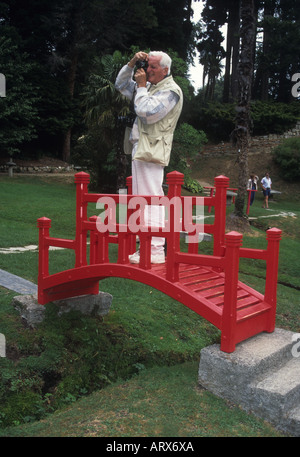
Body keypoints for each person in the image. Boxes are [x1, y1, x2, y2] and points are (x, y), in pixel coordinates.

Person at [115, 50, 183, 264]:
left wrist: (142, 87)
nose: (148, 70)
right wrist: (131, 63)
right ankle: (146, 247)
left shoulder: (171, 91)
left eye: (153, 67)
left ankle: (154, 249)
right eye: (147, 65)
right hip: (142, 148)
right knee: (142, 199)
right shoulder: (151, 87)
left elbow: (146, 112)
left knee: (151, 199)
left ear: (166, 70)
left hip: (152, 150)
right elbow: (120, 84)